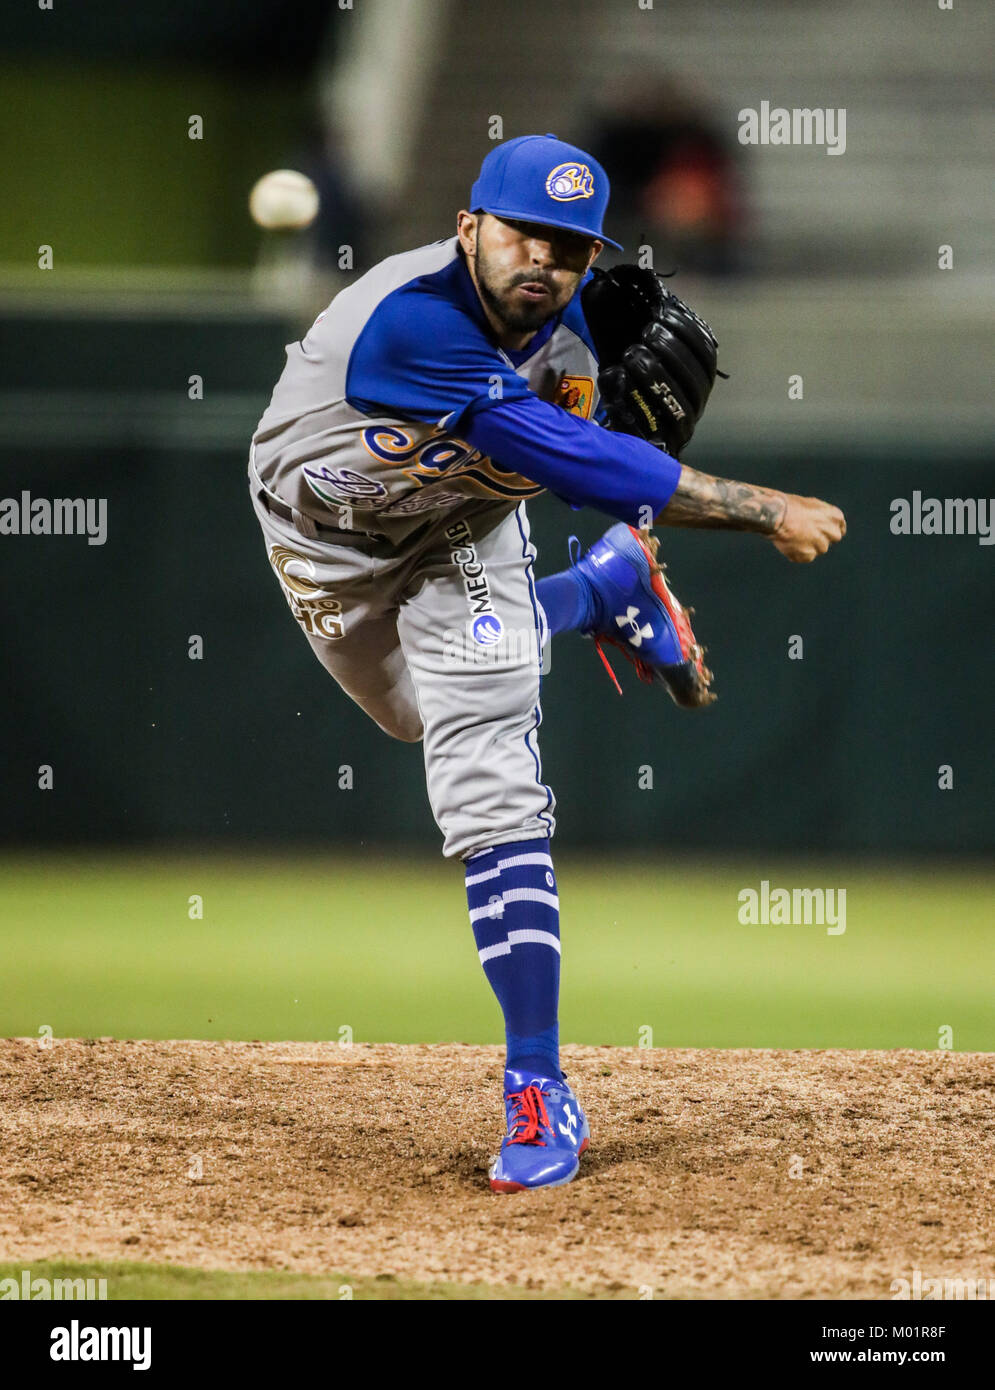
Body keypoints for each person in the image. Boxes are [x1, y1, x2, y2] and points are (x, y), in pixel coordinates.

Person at [247, 133, 845, 1192]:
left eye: (569, 248)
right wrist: (765, 509)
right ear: (470, 227)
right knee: (403, 709)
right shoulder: (410, 319)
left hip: (462, 525)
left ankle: (536, 1083)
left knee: (487, 779)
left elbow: (586, 453)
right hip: (324, 532)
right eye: (524, 233)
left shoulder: (569, 335)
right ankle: (607, 588)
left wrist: (620, 415)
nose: (546, 263)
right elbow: (575, 459)